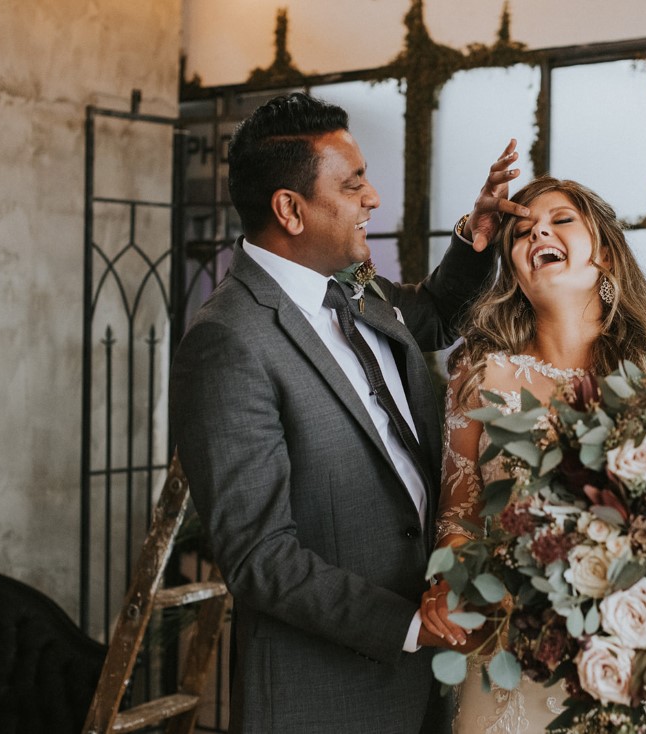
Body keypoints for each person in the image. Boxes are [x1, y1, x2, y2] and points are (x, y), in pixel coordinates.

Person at [169, 91, 527, 733]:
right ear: (291, 209)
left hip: (430, 686)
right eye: (355, 183)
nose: (374, 199)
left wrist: (478, 241)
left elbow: (438, 314)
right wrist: (414, 626)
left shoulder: (351, 286)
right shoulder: (228, 341)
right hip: (330, 696)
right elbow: (260, 558)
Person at [421, 176, 646, 732]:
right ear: (516, 271)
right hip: (510, 656)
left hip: (629, 650)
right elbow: (459, 516)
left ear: (605, 251)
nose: (538, 231)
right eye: (521, 231)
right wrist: (448, 586)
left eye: (561, 220)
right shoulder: (479, 370)